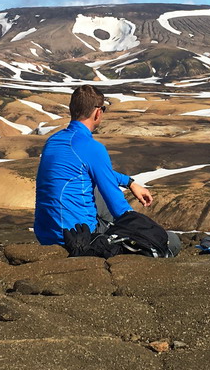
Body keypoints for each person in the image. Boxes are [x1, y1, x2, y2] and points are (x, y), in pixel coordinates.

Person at [33, 85, 180, 255]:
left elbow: (94, 172)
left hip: (45, 234)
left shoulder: (53, 141)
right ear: (98, 112)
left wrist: (130, 183)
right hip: (79, 236)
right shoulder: (92, 147)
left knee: (91, 185)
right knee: (171, 241)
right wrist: (144, 229)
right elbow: (119, 208)